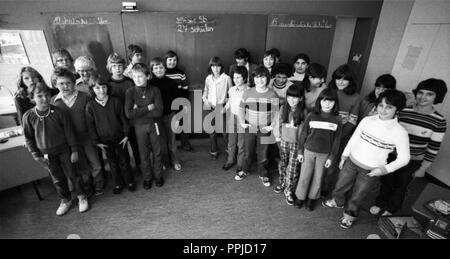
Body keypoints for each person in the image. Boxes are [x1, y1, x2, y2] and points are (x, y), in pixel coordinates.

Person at [322, 89, 410, 229]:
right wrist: (344, 156)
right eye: (381, 105)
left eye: (389, 107)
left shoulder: (400, 132)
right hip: (351, 161)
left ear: (397, 109)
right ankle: (337, 201)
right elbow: (354, 138)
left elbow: (404, 159)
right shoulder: (367, 120)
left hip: (371, 170)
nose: (383, 110)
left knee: (358, 195)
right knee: (340, 185)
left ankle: (349, 216)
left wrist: (383, 170)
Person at [371, 79, 447, 216]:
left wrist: (424, 168)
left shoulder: (439, 120)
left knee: (401, 186)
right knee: (386, 181)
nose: (423, 97)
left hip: (413, 160)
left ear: (438, 97)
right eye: (420, 92)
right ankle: (379, 202)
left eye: (429, 94)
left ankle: (391, 208)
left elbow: (433, 147)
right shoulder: (403, 111)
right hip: (392, 156)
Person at [23, 82, 88, 216]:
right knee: (57, 178)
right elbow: (29, 138)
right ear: (32, 97)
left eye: (47, 95)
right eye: (39, 96)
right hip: (46, 154)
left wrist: (74, 150)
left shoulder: (59, 112)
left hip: (64, 150)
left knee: (73, 174)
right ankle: (65, 200)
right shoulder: (28, 116)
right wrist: (36, 155)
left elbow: (69, 132)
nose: (44, 99)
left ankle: (82, 196)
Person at [51, 68, 104, 196]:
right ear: (55, 84)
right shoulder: (54, 102)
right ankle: (87, 187)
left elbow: (93, 117)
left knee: (96, 164)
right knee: (82, 167)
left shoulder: (85, 97)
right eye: (61, 83)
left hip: (88, 137)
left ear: (74, 83)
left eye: (68, 83)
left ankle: (99, 185)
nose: (65, 86)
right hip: (71, 141)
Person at [86, 74, 136, 194]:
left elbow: (123, 118)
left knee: (124, 160)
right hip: (104, 141)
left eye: (103, 87)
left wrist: (126, 135)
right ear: (92, 89)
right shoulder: (90, 106)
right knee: (112, 163)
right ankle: (118, 183)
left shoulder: (115, 101)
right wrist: (97, 142)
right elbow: (90, 126)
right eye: (97, 88)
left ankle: (129, 181)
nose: (101, 90)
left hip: (120, 138)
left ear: (107, 87)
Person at [295, 88, 342, 211]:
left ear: (335, 103)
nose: (327, 104)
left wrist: (331, 157)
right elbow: (304, 134)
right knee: (305, 175)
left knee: (318, 177)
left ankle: (312, 198)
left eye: (331, 101)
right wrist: (300, 151)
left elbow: (337, 140)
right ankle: (300, 197)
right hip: (308, 151)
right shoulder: (312, 115)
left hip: (324, 154)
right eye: (324, 100)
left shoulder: (337, 119)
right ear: (319, 101)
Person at [236, 66, 279, 187]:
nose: (260, 80)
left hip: (265, 128)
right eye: (257, 77)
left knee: (263, 153)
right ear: (253, 79)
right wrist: (242, 121)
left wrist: (272, 126)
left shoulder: (272, 94)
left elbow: (276, 112)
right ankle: (244, 170)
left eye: (263, 77)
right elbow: (240, 109)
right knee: (248, 151)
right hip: (250, 127)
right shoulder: (248, 92)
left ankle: (263, 174)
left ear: (268, 78)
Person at [322, 64, 360, 197]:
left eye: (345, 79)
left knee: (331, 164)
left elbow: (352, 121)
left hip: (341, 136)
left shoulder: (355, 97)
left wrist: (338, 136)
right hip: (322, 134)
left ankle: (325, 188)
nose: (340, 82)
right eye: (338, 78)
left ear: (351, 81)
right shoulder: (328, 91)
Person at [125, 63, 164, 190]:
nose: (137, 79)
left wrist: (138, 110)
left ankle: (158, 175)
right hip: (139, 126)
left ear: (147, 76)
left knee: (157, 152)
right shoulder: (130, 92)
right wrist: (148, 107)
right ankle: (147, 178)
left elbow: (159, 111)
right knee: (143, 153)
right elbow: (129, 114)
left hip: (154, 124)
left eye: (140, 76)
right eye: (134, 76)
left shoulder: (155, 90)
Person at [273, 83, 306, 205]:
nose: (292, 100)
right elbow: (279, 123)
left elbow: (304, 131)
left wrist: (302, 146)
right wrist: (278, 138)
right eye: (289, 97)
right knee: (282, 164)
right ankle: (282, 182)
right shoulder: (283, 108)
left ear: (301, 98)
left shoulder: (304, 112)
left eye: (295, 97)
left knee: (292, 168)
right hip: (283, 142)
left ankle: (289, 189)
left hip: (296, 144)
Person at [106, 53, 141, 169]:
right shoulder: (107, 84)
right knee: (122, 149)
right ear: (110, 68)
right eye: (114, 66)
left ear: (124, 67)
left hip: (132, 120)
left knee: (136, 145)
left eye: (120, 66)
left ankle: (141, 167)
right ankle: (127, 171)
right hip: (117, 122)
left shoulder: (130, 82)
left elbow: (137, 97)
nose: (117, 69)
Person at [149, 57, 182, 171]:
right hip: (156, 118)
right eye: (156, 68)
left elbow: (177, 100)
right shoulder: (149, 84)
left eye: (161, 67)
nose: (159, 70)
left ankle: (174, 160)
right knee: (160, 141)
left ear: (165, 68)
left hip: (170, 116)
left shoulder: (172, 82)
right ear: (152, 70)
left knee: (172, 141)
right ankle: (162, 161)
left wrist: (177, 116)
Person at [202, 57, 232, 159]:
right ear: (210, 67)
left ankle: (230, 149)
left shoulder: (226, 78)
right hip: (211, 106)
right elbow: (205, 91)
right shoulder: (208, 78)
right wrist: (205, 100)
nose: (216, 69)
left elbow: (231, 94)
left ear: (221, 67)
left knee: (225, 131)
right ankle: (214, 149)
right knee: (212, 131)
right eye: (213, 66)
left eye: (218, 66)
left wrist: (226, 107)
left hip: (222, 106)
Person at [164, 50, 193, 151]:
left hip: (180, 102)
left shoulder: (181, 73)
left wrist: (185, 104)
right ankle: (169, 147)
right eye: (170, 60)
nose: (172, 62)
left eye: (174, 60)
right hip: (166, 104)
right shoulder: (162, 72)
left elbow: (185, 89)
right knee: (168, 126)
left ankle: (185, 144)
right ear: (165, 60)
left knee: (183, 124)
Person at [223, 66, 249, 172]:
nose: (235, 80)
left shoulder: (249, 91)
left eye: (238, 77)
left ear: (244, 78)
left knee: (241, 143)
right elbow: (230, 102)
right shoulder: (231, 90)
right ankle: (230, 160)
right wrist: (224, 109)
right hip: (232, 117)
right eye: (234, 77)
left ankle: (240, 164)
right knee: (231, 142)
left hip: (243, 119)